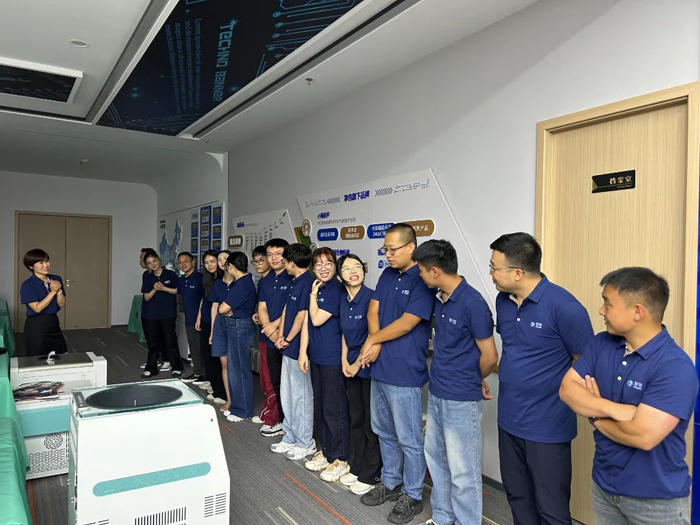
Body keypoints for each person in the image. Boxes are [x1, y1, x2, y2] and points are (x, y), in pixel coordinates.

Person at [559, 267, 697, 525]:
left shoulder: (674, 366)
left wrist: (594, 416)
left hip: (655, 500)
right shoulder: (601, 343)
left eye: (607, 303)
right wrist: (613, 409)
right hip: (604, 485)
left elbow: (642, 436)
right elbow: (567, 389)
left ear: (637, 312)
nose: (601, 311)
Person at [487, 232, 593, 525]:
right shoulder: (503, 300)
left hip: (547, 426)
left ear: (517, 273)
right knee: (517, 497)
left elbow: (585, 361)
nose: (491, 273)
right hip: (509, 420)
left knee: (551, 508)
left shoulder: (565, 307)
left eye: (494, 267)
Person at [413, 240, 499, 525]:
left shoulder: (473, 303)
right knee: (437, 460)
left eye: (422, 271)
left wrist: (473, 380)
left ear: (435, 271)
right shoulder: (440, 298)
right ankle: (443, 516)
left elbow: (490, 356)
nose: (420, 276)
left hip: (461, 399)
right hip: (438, 392)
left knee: (463, 471)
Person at [358, 223, 434, 525]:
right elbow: (373, 310)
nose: (387, 254)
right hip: (380, 368)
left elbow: (407, 323)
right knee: (384, 431)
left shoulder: (423, 279)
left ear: (411, 247)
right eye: (385, 249)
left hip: (404, 371)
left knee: (409, 438)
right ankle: (390, 482)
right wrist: (374, 342)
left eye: (392, 249)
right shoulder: (387, 275)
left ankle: (412, 494)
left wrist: (373, 340)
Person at [301, 248, 351, 482]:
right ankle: (327, 452)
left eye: (328, 263)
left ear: (335, 267)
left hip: (332, 358)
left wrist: (312, 295)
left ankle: (340, 458)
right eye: (318, 264)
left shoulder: (335, 289)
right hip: (316, 357)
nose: (323, 268)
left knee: (334, 409)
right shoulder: (317, 286)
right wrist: (303, 352)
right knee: (320, 408)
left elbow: (316, 318)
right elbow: (306, 323)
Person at [337, 254, 382, 496]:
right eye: (347, 268)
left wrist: (356, 363)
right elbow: (345, 334)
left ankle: (371, 474)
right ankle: (356, 467)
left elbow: (373, 335)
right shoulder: (344, 300)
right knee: (355, 418)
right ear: (339, 276)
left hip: (368, 364)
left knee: (370, 423)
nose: (353, 271)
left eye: (357, 266)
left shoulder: (372, 297)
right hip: (351, 365)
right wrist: (345, 360)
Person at [269, 243, 316, 461]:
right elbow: (288, 310)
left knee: (301, 397)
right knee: (287, 395)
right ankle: (290, 436)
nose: (281, 262)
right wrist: (281, 334)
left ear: (291, 263)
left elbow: (302, 316)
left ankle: (305, 442)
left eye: (284, 259)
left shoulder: (308, 282)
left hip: (297, 349)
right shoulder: (295, 281)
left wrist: (287, 339)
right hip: (287, 347)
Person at [257, 238, 292, 437]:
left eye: (278, 254)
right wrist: (270, 332)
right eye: (270, 255)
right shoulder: (265, 280)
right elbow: (262, 308)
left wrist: (276, 328)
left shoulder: (293, 277)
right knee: (275, 381)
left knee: (292, 385)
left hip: (289, 339)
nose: (274, 258)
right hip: (272, 340)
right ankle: (278, 419)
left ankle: (291, 424)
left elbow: (293, 308)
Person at [218, 252, 258, 422]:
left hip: (240, 327)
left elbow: (222, 308)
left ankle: (242, 410)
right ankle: (237, 406)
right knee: (235, 368)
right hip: (237, 325)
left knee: (240, 369)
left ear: (231, 266)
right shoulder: (242, 281)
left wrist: (227, 309)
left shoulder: (242, 283)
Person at [140, 251, 183, 378]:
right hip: (150, 314)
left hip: (167, 313)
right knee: (153, 342)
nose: (153, 264)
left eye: (154, 261)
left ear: (159, 260)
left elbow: (177, 291)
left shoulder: (171, 274)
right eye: (149, 263)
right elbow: (146, 297)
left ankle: (176, 367)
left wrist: (164, 288)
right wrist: (154, 289)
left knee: (170, 341)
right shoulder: (147, 276)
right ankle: (151, 368)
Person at [19, 249, 67, 357]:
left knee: (61, 355)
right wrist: (53, 292)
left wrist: (59, 290)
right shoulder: (27, 285)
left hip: (53, 322)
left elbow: (61, 303)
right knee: (37, 358)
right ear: (31, 266)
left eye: (47, 261)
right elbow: (37, 308)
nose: (46, 265)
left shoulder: (56, 279)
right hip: (36, 325)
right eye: (41, 263)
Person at [250, 245, 278, 428]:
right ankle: (268, 410)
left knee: (271, 378)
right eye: (256, 261)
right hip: (264, 335)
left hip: (275, 336)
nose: (258, 264)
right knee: (265, 377)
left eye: (262, 260)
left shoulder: (278, 279)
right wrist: (258, 315)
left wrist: (271, 328)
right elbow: (263, 307)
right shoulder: (262, 281)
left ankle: (273, 416)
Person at [196, 250, 227, 404]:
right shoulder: (209, 278)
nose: (209, 265)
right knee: (206, 355)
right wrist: (199, 316)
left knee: (216, 358)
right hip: (207, 319)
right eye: (206, 263)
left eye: (212, 261)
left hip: (218, 322)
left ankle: (221, 391)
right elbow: (204, 298)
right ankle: (214, 386)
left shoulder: (223, 279)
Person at [209, 250, 234, 413]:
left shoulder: (241, 281)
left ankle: (239, 399)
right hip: (220, 326)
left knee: (236, 364)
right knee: (224, 363)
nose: (222, 262)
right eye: (219, 259)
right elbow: (214, 307)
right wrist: (212, 330)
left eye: (225, 258)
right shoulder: (218, 283)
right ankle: (229, 399)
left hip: (237, 327)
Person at [177, 252, 205, 383]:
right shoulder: (182, 280)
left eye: (186, 261)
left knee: (202, 348)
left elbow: (205, 299)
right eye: (180, 262)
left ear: (193, 262)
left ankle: (205, 375)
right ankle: (198, 372)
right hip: (189, 319)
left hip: (201, 320)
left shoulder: (200, 278)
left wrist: (200, 317)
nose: (183, 264)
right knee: (193, 347)